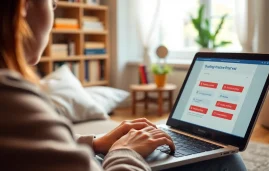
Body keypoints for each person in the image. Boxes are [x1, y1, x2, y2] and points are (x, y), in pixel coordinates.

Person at [0, 0, 247, 170]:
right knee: (228, 162)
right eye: (52, 3)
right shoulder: (11, 97)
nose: (52, 19)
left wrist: (95, 143)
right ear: (24, 6)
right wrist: (124, 151)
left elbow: (32, 150)